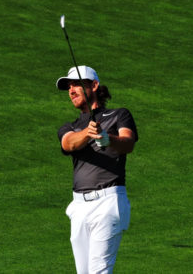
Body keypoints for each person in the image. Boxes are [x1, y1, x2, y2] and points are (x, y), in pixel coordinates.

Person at [56, 65, 138, 274]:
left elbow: (128, 143)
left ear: (94, 85)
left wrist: (107, 139)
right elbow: (68, 144)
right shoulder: (70, 127)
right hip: (79, 207)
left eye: (76, 84)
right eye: (68, 87)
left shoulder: (119, 115)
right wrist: (88, 133)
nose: (71, 90)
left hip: (108, 203)